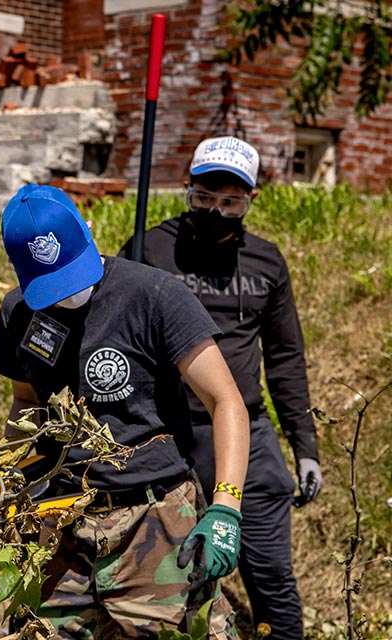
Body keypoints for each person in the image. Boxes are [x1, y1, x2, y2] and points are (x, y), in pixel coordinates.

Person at [0, 184, 250, 638]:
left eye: (72, 273)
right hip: (60, 520)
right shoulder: (19, 312)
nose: (66, 295)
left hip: (155, 523)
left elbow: (225, 401)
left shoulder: (154, 295)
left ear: (89, 231)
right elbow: (26, 403)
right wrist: (8, 474)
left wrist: (226, 505)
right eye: (50, 287)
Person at [120, 136, 321, 640]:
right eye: (204, 197)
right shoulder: (150, 250)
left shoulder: (267, 263)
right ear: (187, 189)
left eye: (229, 201)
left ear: (250, 200)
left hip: (245, 433)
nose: (215, 210)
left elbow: (284, 358)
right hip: (168, 437)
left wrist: (305, 446)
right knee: (171, 579)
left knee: (271, 574)